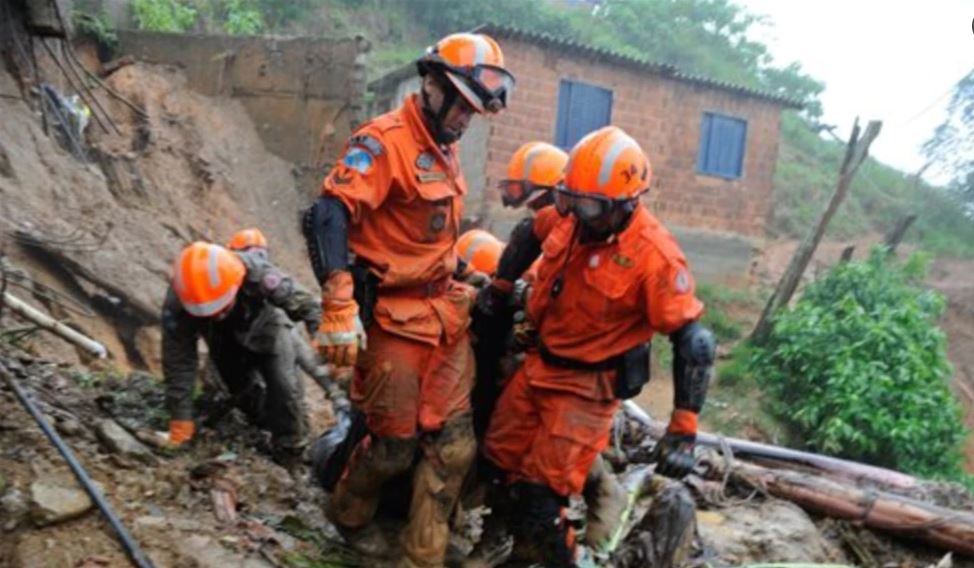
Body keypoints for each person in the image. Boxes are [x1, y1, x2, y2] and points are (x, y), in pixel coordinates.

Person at [302, 32, 514, 566]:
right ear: (432, 84)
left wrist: (470, 274)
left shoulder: (447, 149)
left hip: (445, 319)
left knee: (455, 446)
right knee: (393, 448)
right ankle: (348, 513)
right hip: (394, 326)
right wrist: (337, 303)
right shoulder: (385, 142)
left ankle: (423, 556)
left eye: (473, 113)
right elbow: (328, 213)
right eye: (461, 108)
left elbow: (428, 235)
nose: (465, 121)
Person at [479, 126, 716, 565]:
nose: (578, 216)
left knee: (541, 496)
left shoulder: (653, 257)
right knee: (497, 464)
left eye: (589, 207)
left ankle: (558, 554)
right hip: (538, 366)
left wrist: (683, 429)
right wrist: (500, 286)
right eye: (572, 200)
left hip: (585, 387)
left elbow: (694, 341)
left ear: (626, 204)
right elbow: (530, 232)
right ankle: (511, 548)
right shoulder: (571, 215)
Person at [161, 242, 321, 465]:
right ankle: (262, 429)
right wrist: (180, 419)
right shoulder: (180, 302)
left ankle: (291, 450)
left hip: (268, 329)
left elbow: (309, 306)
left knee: (284, 387)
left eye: (222, 308)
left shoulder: (257, 273)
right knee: (242, 391)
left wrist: (324, 339)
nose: (218, 314)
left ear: (236, 285)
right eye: (212, 312)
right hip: (222, 339)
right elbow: (178, 361)